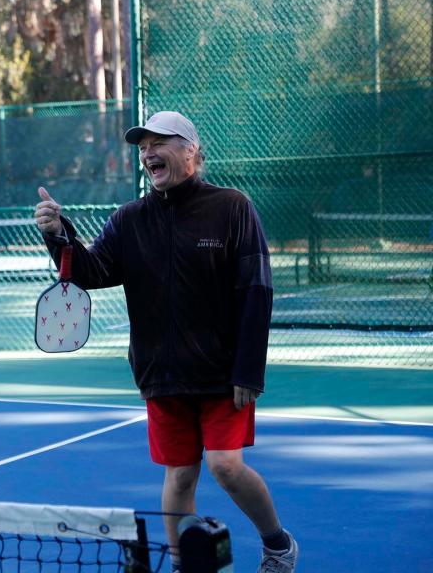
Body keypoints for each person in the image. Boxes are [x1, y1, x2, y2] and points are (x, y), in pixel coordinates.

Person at [34, 111, 297, 573]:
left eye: (160, 142)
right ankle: (181, 565)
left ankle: (277, 545)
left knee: (225, 467)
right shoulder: (129, 218)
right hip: (161, 373)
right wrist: (59, 235)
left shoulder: (232, 206)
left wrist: (249, 369)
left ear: (192, 150)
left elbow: (257, 289)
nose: (149, 152)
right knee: (179, 476)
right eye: (142, 147)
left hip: (223, 373)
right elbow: (92, 272)